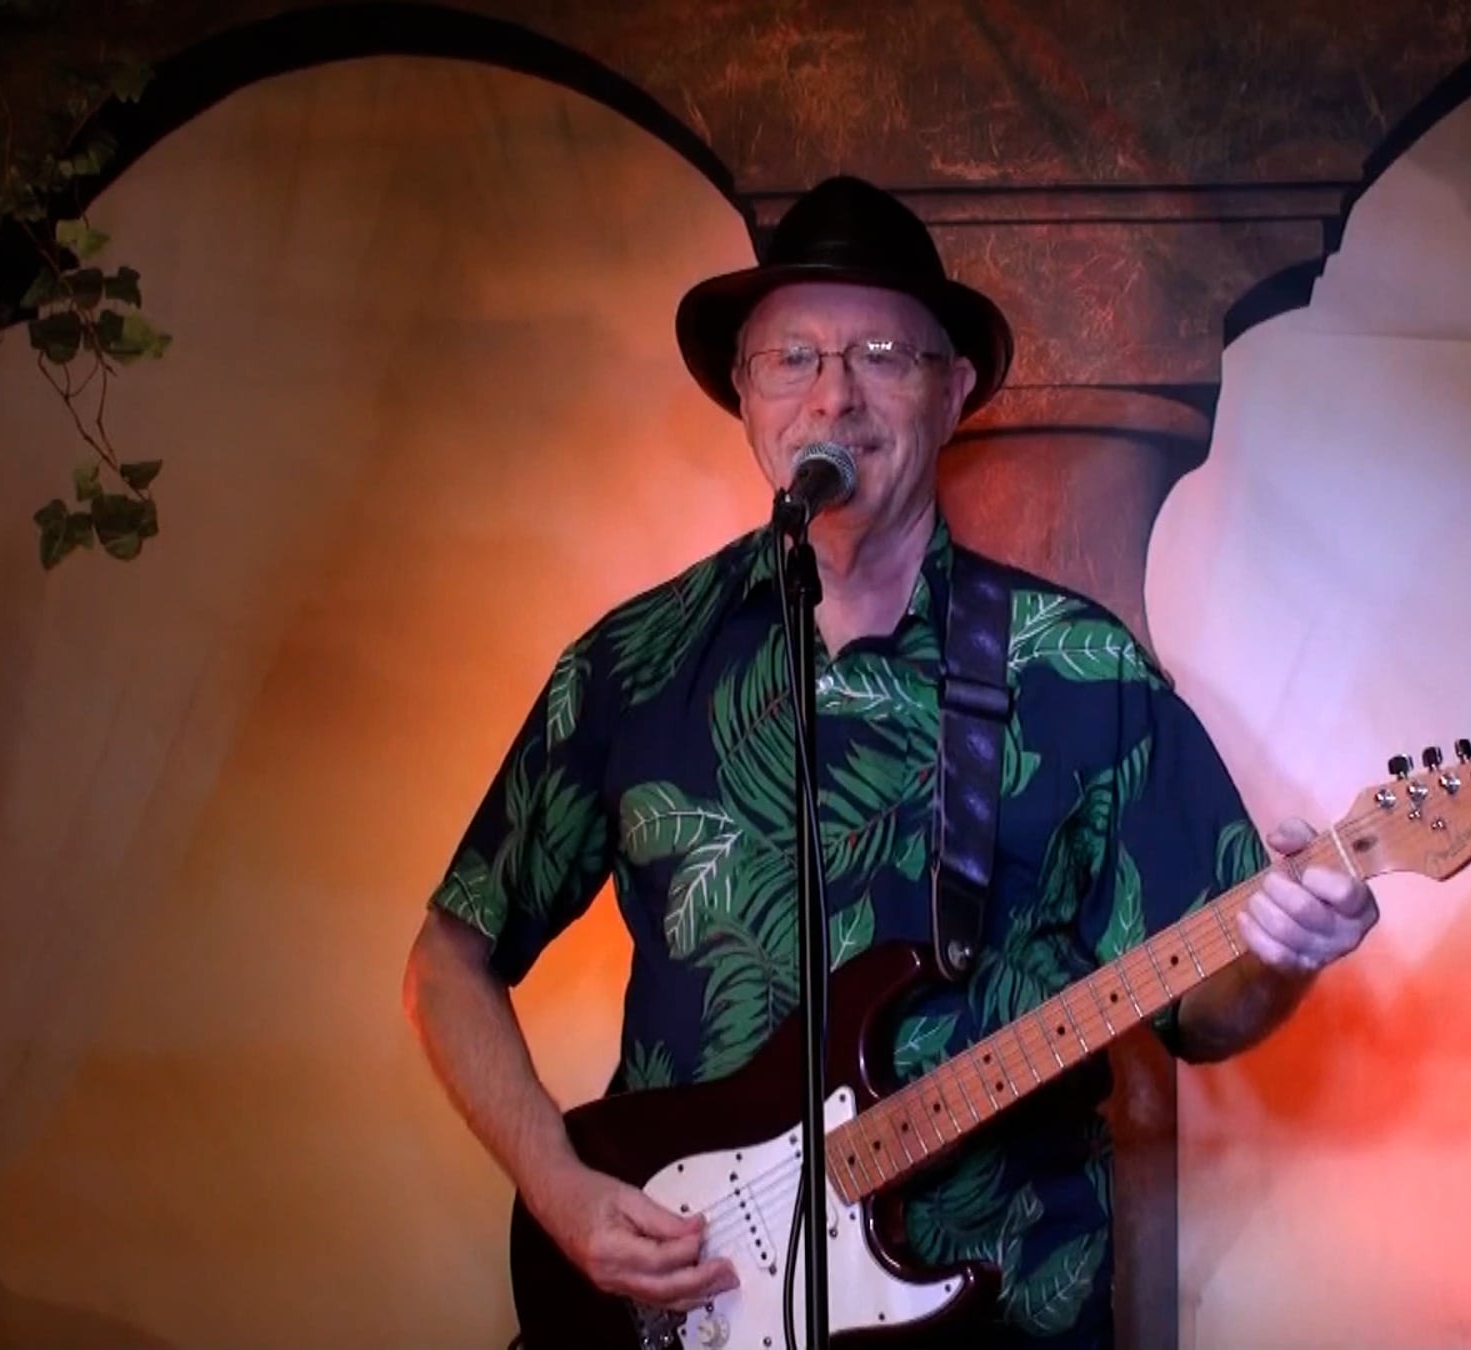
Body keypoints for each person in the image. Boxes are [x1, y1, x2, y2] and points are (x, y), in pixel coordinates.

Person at [401, 175, 1379, 1348]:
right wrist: (559, 1188)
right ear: (744, 393)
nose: (834, 395)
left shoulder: (1077, 670)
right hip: (690, 1306)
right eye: (792, 358)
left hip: (1002, 1319)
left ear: (952, 390)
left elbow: (1204, 1011)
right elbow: (448, 959)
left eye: (881, 354)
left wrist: (1281, 955)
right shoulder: (636, 664)